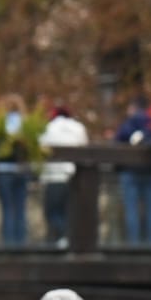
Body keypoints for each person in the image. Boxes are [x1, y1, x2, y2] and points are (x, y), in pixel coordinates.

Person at [113, 94, 151, 246]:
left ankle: (134, 245)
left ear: (133, 107)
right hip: (150, 171)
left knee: (131, 210)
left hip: (130, 171)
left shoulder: (128, 123)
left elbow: (116, 141)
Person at [39, 105, 89, 246]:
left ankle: (62, 237)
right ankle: (68, 239)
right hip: (74, 176)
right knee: (70, 211)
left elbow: (41, 148)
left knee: (53, 211)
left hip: (54, 176)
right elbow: (84, 147)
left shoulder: (49, 128)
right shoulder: (78, 128)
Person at [0, 93, 32, 247]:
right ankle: (21, 244)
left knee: (7, 209)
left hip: (4, 170)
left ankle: (8, 245)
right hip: (22, 169)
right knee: (20, 209)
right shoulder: (25, 123)